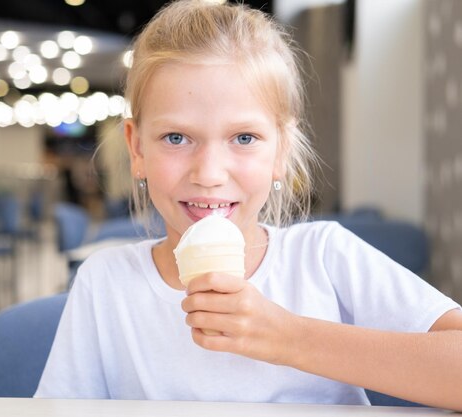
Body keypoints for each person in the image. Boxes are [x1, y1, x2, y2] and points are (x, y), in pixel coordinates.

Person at [35, 0, 462, 410]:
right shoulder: (106, 284)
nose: (210, 173)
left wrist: (290, 338)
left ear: (281, 151)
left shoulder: (324, 258)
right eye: (176, 138)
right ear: (137, 149)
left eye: (244, 138)